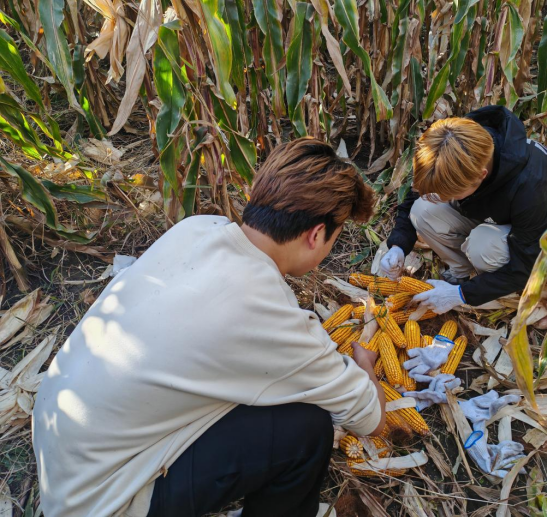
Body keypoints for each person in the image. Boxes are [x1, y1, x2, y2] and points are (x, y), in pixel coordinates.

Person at [33, 138, 385, 518]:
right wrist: (366, 366)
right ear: (316, 235)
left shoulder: (197, 228)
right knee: (307, 430)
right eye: (335, 237)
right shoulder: (265, 310)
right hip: (103, 503)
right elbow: (371, 419)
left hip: (62, 460)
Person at [380, 105, 547, 313]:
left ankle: (495, 291)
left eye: (452, 193)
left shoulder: (532, 186)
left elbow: (527, 265)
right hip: (491, 209)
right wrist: (399, 245)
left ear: (481, 175)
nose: (445, 199)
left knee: (483, 245)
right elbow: (419, 193)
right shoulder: (452, 147)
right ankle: (461, 273)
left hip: (538, 235)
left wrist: (461, 295)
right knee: (423, 210)